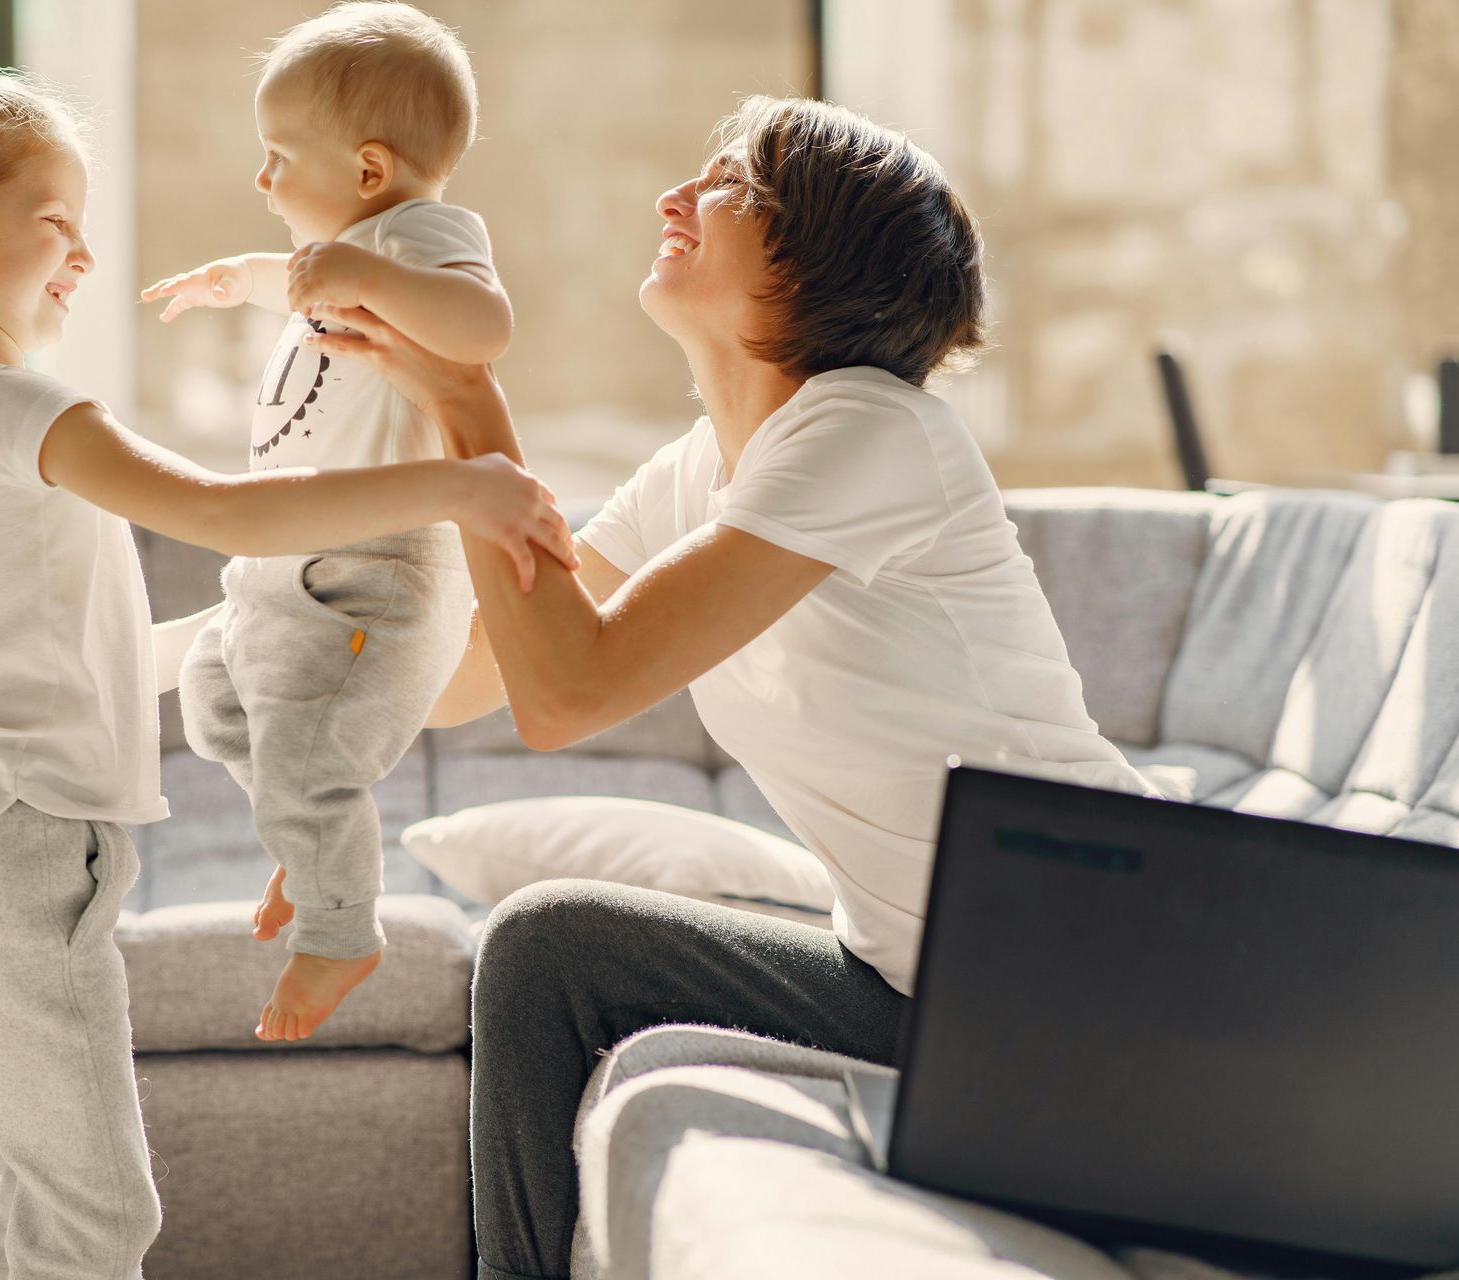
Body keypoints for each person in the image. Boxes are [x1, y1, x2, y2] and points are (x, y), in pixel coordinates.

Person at [305, 95, 1155, 1280]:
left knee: (547, 938)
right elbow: (466, 683)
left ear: (824, 255)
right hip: (914, 989)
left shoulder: (873, 428)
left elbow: (570, 692)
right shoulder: (697, 469)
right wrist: (295, 621)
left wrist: (472, 409)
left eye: (730, 186)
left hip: (1096, 982)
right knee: (551, 950)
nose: (676, 199)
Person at [0, 59, 572, 1280]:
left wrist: (265, 652)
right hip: (5, 863)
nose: (82, 258)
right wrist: (461, 484)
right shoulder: (13, 408)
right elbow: (226, 514)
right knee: (97, 1217)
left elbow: (104, 655)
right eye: (55, 225)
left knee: (39, 1187)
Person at [140, 2, 512, 1042]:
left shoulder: (425, 238)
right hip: (288, 557)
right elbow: (297, 289)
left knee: (308, 757)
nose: (261, 181)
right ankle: (312, 846)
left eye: (277, 157)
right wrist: (237, 281)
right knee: (214, 700)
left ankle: (344, 928)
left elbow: (485, 328)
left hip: (377, 566)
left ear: (368, 170)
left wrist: (372, 274)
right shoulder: (340, 255)